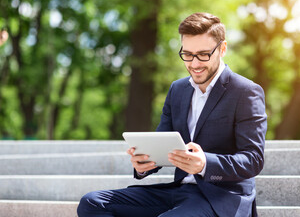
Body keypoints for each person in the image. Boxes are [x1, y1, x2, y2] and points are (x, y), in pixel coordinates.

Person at [77, 12, 267, 217]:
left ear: (222, 49)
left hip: (220, 198)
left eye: (203, 54)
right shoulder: (177, 90)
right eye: (187, 54)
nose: (194, 64)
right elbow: (162, 142)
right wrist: (144, 163)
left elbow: (253, 159)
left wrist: (205, 164)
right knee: (92, 203)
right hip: (178, 191)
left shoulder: (246, 91)